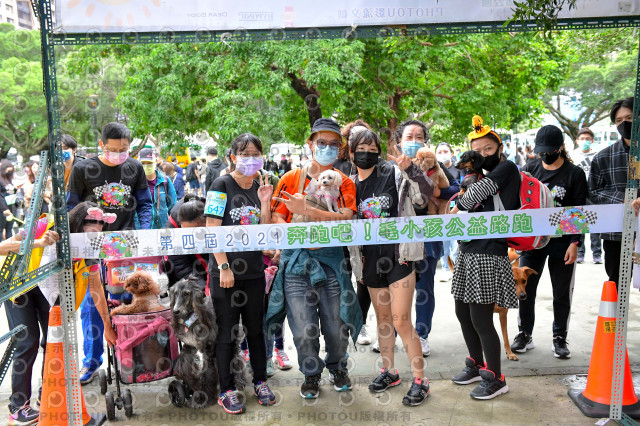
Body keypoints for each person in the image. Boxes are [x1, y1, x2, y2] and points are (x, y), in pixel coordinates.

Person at [266, 118, 362, 400]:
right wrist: (299, 234)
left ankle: (338, 368)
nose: (327, 148)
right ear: (310, 144)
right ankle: (310, 374)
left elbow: (346, 219)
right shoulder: (290, 179)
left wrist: (307, 209)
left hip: (332, 263)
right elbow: (278, 217)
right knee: (302, 329)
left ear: (340, 148)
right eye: (321, 142)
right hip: (296, 265)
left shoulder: (343, 182)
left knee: (336, 325)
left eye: (333, 144)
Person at [351, 129, 432, 406]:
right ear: (351, 152)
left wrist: (411, 170)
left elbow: (424, 196)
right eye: (361, 148)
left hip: (400, 257)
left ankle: (421, 380)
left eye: (372, 149)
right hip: (370, 262)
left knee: (401, 320)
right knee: (383, 320)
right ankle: (390, 372)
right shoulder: (349, 185)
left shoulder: (393, 173)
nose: (367, 153)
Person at [66, 122, 152, 384]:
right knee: (93, 305)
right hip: (92, 248)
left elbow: (145, 204)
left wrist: (144, 232)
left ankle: (133, 355)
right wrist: (79, 240)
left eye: (124, 149)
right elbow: (71, 207)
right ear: (102, 145)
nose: (119, 154)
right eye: (113, 149)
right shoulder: (83, 169)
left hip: (126, 246)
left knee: (130, 300)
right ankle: (91, 362)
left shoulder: (134, 168)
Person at [449, 115, 519, 400]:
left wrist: (461, 197)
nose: (482, 155)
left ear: (499, 148)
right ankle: (476, 365)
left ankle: (496, 378)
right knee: (462, 312)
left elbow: (466, 200)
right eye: (476, 151)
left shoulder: (506, 169)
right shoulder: (477, 176)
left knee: (481, 318)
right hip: (467, 250)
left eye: (488, 149)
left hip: (489, 252)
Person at [206, 133, 276, 414]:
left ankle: (260, 381)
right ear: (232, 157)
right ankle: (226, 389)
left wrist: (265, 202)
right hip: (225, 274)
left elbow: (263, 231)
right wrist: (223, 266)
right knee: (227, 332)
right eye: (244, 154)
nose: (251, 159)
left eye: (256, 154)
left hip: (254, 272)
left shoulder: (259, 186)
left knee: (256, 330)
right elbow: (212, 228)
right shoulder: (221, 184)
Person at [510, 125, 586, 359]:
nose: (544, 155)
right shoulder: (529, 169)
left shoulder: (574, 173)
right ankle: (524, 333)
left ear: (560, 147)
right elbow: (517, 203)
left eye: (549, 151)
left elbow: (579, 210)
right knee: (526, 289)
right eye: (540, 151)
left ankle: (559, 337)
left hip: (562, 243)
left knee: (561, 292)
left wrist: (575, 243)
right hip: (532, 242)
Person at [390, 120, 459, 358]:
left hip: (428, 237)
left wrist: (437, 191)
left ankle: (422, 334)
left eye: (419, 137)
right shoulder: (389, 169)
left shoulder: (433, 165)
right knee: (396, 288)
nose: (414, 141)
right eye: (408, 137)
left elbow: (456, 188)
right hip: (398, 239)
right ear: (398, 142)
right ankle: (394, 333)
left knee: (424, 289)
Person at [3, 228, 59, 425]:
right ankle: (18, 407)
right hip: (19, 286)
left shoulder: (71, 225)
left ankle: (46, 396)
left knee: (53, 342)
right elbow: (2, 248)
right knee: (27, 343)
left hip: (49, 286)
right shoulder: (41, 220)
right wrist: (39, 242)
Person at [591, 97, 635, 287]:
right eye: (619, 120)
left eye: (629, 117)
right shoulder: (603, 157)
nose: (624, 123)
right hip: (615, 232)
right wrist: (622, 199)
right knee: (616, 284)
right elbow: (593, 192)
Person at [340, 119, 373, 346]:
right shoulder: (337, 166)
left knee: (364, 282)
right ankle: (340, 326)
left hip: (366, 237)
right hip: (341, 235)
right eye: (355, 139)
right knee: (343, 282)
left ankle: (360, 325)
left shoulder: (377, 167)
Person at [572, 128, 602, 264]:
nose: (585, 141)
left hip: (593, 193)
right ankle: (579, 253)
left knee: (594, 224)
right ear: (577, 141)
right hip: (577, 193)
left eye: (588, 139)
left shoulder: (597, 155)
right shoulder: (572, 156)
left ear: (592, 141)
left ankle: (597, 254)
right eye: (582, 139)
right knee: (578, 222)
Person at [164, 199, 209, 290]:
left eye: (194, 232)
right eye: (186, 232)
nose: (190, 236)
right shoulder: (171, 233)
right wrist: (203, 287)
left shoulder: (216, 218)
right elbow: (181, 266)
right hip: (192, 271)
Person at [435, 142, 461, 282]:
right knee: (443, 244)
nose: (443, 154)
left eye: (445, 151)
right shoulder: (435, 170)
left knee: (456, 245)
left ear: (452, 153)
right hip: (441, 214)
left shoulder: (459, 170)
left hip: (458, 212)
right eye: (439, 152)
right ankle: (446, 269)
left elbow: (462, 190)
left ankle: (458, 270)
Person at [136, 149, 177, 229]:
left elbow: (173, 208)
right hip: (140, 230)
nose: (146, 166)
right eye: (143, 163)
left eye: (149, 163)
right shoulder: (134, 183)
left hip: (162, 230)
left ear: (155, 162)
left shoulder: (165, 181)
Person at [0, 160, 21, 239]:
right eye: (8, 170)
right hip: (3, 209)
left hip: (11, 207)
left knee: (9, 229)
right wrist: (4, 209)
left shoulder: (8, 180)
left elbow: (9, 192)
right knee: (1, 229)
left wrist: (15, 189)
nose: (10, 172)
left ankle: (10, 245)